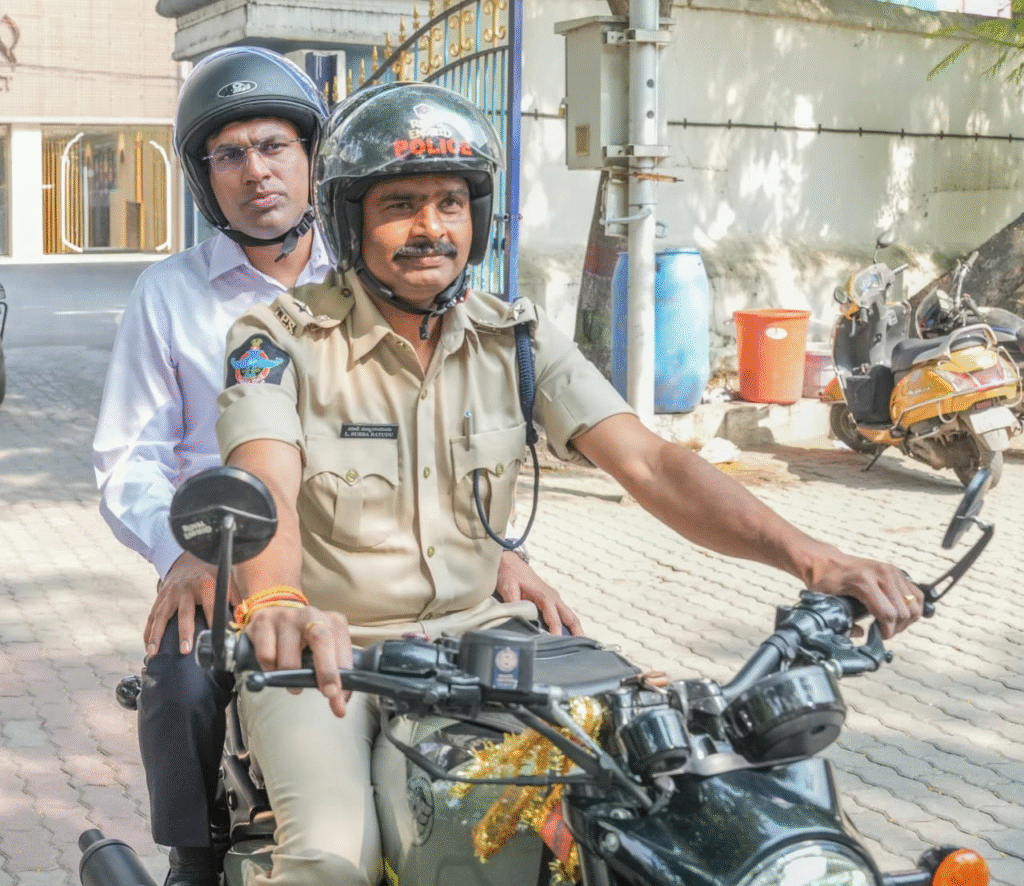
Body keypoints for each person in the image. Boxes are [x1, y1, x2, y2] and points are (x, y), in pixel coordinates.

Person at [215, 81, 925, 886]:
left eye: (451, 203)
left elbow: (651, 463)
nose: (430, 228)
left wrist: (813, 559)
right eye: (401, 205)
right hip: (328, 653)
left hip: (487, 644)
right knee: (330, 859)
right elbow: (263, 482)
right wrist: (276, 601)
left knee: (641, 813)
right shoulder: (281, 340)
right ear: (351, 220)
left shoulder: (515, 340)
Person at [92, 50, 561, 886]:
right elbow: (129, 455)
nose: (256, 171)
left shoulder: (378, 272)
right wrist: (189, 551)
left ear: (316, 158)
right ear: (204, 178)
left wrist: (496, 549)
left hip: (372, 548)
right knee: (181, 681)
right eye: (229, 154)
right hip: (227, 553)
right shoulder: (169, 293)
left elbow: (436, 429)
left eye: (274, 146)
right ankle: (193, 861)